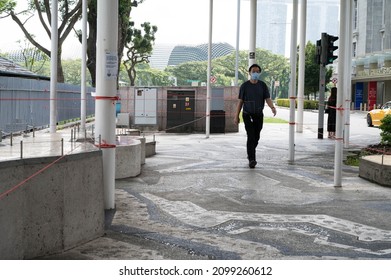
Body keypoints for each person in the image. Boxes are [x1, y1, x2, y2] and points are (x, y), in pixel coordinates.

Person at [234, 63, 277, 168]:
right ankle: (252, 159)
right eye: (253, 71)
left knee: (256, 136)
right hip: (247, 114)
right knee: (251, 135)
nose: (255, 73)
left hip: (258, 114)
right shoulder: (244, 86)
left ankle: (250, 152)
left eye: (257, 71)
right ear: (249, 73)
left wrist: (272, 107)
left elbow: (267, 98)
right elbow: (240, 102)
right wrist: (236, 116)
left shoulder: (262, 85)